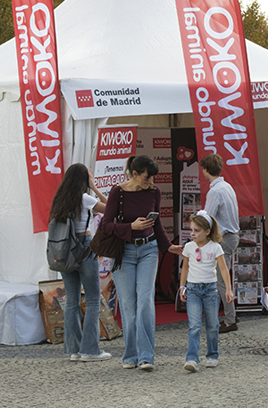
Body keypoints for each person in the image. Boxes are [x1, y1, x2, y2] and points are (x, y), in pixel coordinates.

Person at [100, 155, 182, 371]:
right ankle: (131, 355)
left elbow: (157, 223)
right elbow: (106, 225)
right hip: (123, 252)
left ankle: (146, 356)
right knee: (128, 304)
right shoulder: (117, 192)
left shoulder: (154, 192)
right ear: (134, 174)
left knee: (145, 300)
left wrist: (168, 247)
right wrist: (130, 227)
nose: (150, 182)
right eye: (146, 178)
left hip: (148, 250)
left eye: (152, 178)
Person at [48, 164, 110, 362]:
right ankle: (90, 350)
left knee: (71, 301)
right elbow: (109, 208)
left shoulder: (60, 200)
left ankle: (74, 349)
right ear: (84, 180)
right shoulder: (84, 198)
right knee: (92, 300)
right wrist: (94, 187)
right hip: (84, 245)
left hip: (66, 251)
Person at [179, 211, 234, 372]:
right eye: (191, 230)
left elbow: (223, 270)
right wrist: (182, 287)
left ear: (207, 231)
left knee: (212, 325)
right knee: (194, 325)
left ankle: (212, 355)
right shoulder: (189, 247)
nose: (193, 234)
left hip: (210, 289)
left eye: (197, 231)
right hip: (193, 289)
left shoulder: (215, 247)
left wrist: (228, 290)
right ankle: (192, 358)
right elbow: (185, 268)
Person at [199, 154, 239, 334]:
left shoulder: (215, 191)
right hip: (231, 236)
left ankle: (230, 319)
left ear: (206, 170)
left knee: (221, 281)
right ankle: (228, 317)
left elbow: (207, 218)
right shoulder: (227, 186)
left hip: (224, 238)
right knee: (222, 279)